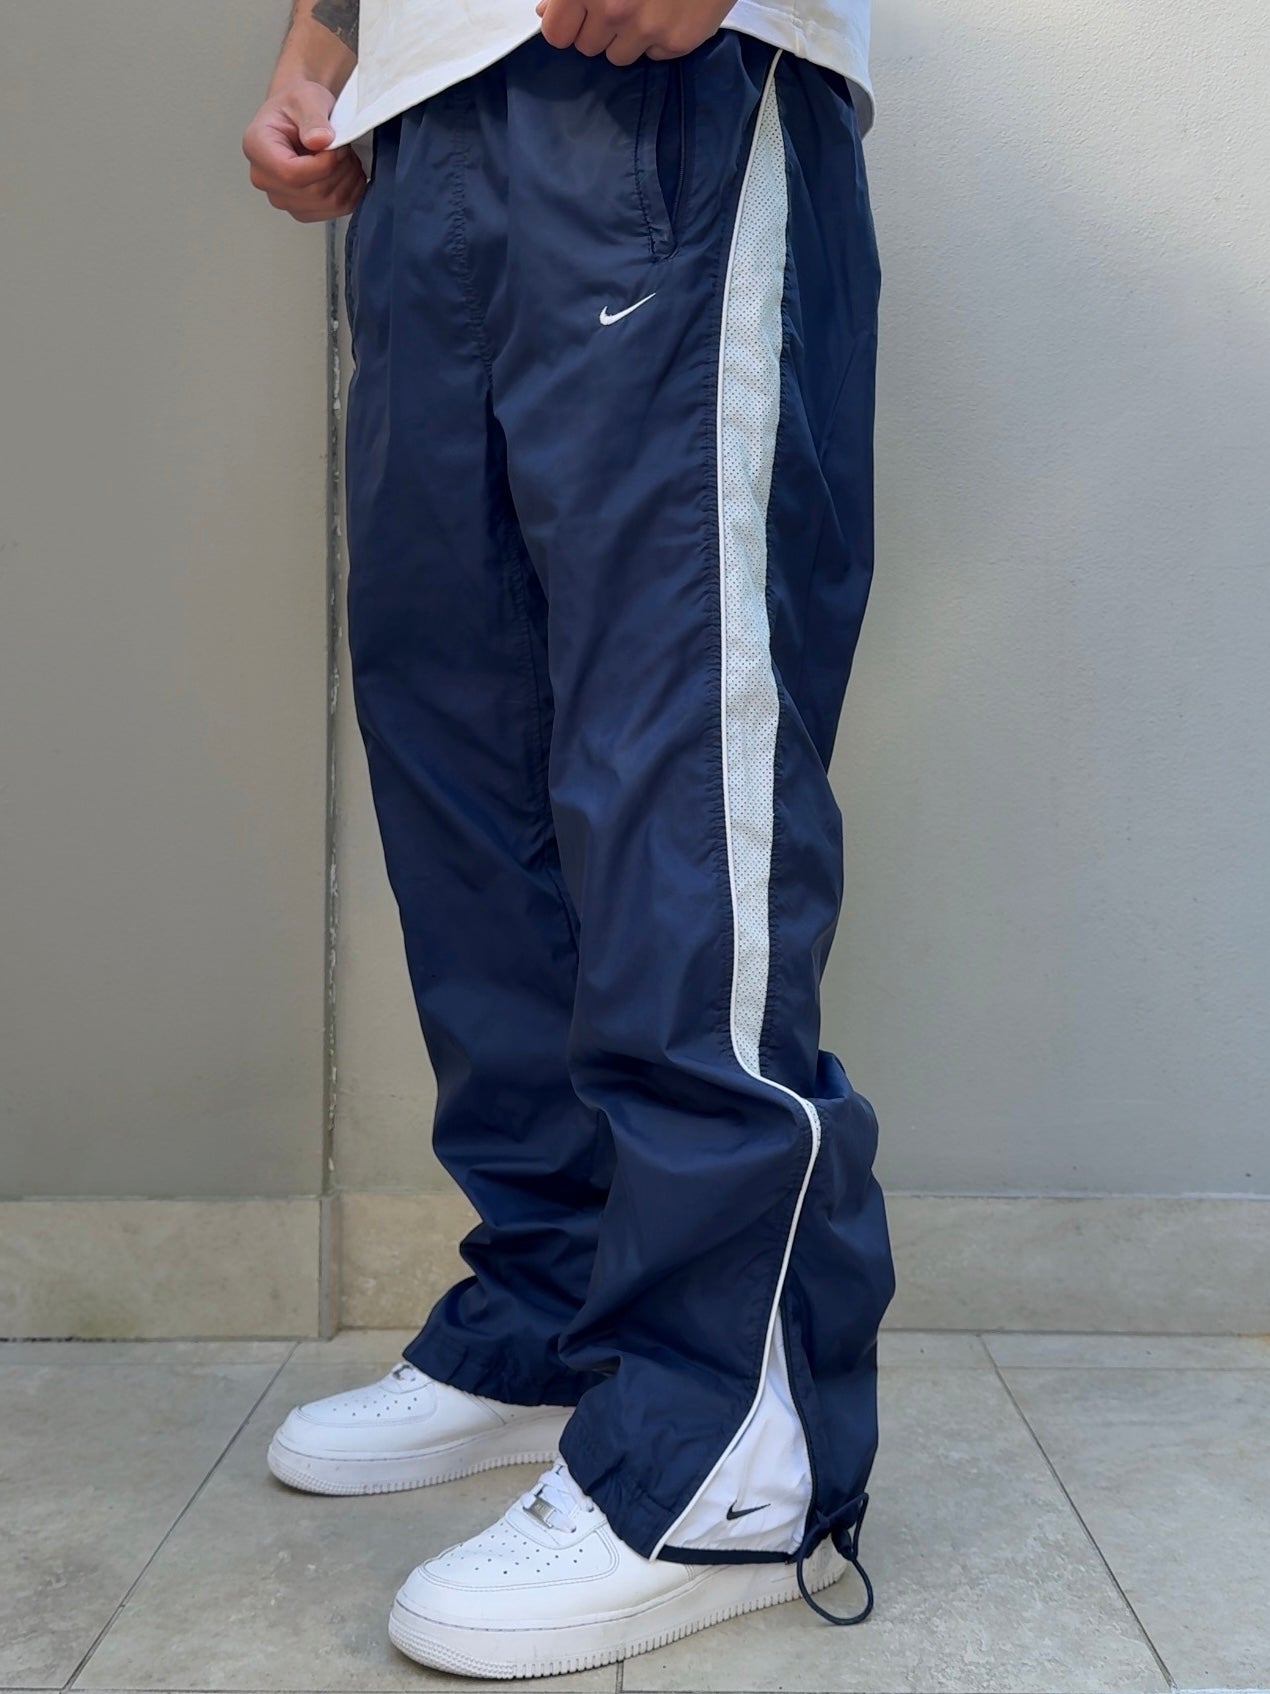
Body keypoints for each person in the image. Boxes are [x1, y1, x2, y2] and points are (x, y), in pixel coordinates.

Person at [243, 0, 894, 1677]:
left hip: (671, 85)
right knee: (468, 765)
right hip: (424, 122)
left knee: (675, 753)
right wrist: (324, 40)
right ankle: (551, 1307)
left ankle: (726, 1436)